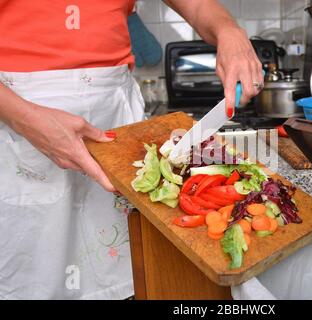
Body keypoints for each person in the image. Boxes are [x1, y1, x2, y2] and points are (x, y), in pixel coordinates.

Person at [0, 0, 263, 299]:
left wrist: (230, 31)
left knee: (134, 277)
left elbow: (199, 6)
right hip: (20, 123)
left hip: (117, 123)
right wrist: (24, 119)